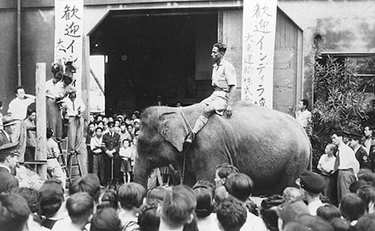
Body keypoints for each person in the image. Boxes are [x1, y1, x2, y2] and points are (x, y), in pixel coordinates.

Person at [185, 42, 237, 144]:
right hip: (215, 94)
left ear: (221, 53)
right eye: (212, 52)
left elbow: (233, 86)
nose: (211, 54)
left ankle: (193, 134)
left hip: (224, 97)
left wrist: (229, 105)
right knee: (199, 106)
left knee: (207, 109)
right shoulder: (215, 66)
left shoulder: (227, 66)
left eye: (214, 52)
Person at [332, 131, 360, 202]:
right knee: (340, 196)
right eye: (332, 138)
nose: (333, 140)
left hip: (346, 173)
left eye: (334, 138)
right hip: (341, 173)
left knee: (345, 196)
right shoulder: (339, 150)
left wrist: (355, 176)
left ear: (340, 137)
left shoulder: (346, 149)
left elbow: (355, 163)